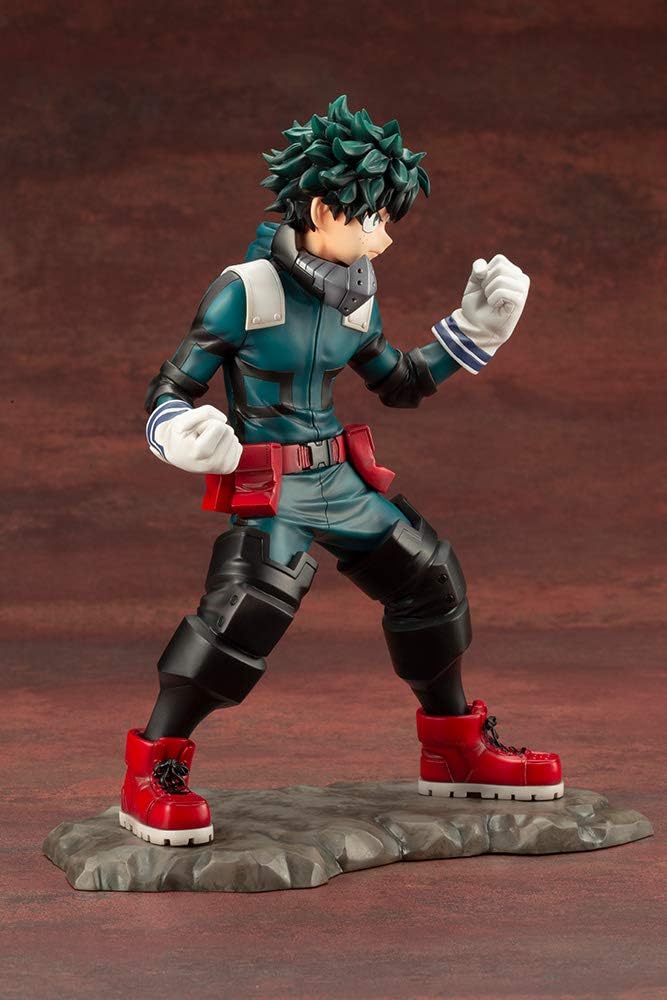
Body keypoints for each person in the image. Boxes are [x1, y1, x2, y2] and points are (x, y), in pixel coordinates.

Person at [119, 95, 562, 847]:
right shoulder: (245, 291)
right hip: (273, 487)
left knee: (430, 579)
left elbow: (399, 382)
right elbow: (171, 388)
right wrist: (179, 432)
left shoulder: (356, 293)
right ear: (324, 210)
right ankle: (152, 768)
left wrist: (472, 335)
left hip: (342, 480)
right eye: (372, 220)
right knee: (243, 616)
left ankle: (453, 747)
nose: (382, 240)